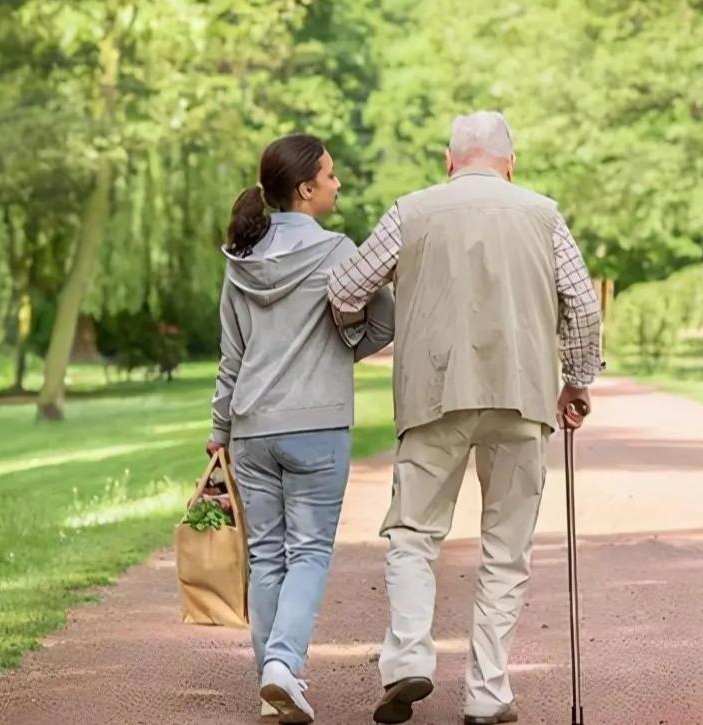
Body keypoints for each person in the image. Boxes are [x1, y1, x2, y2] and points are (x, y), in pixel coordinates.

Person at [328, 111, 603, 725]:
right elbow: (582, 306)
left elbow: (344, 291)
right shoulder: (542, 213)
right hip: (522, 394)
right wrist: (577, 380)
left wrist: (389, 314)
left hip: (434, 393)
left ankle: (407, 661)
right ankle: (486, 693)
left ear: (449, 162)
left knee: (413, 535)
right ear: (511, 162)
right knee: (506, 552)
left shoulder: (413, 209)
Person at [207, 133, 394, 723]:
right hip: (317, 426)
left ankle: (271, 679)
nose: (338, 184)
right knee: (309, 551)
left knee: (266, 557)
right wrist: (344, 346)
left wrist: (220, 429)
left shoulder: (240, 262)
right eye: (331, 176)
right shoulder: (339, 253)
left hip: (252, 428)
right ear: (306, 189)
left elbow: (230, 358)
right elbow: (385, 317)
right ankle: (282, 666)